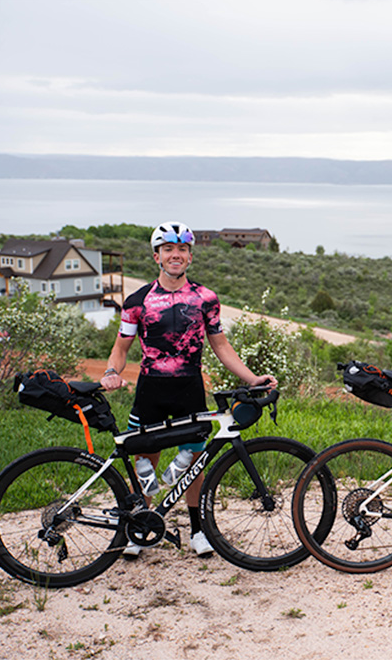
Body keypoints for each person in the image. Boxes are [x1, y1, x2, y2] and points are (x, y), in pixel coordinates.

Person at [100, 221, 276, 559]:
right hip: (151, 388)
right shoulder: (137, 301)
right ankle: (141, 526)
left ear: (190, 257)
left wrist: (252, 379)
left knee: (195, 461)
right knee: (144, 460)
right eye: (168, 249)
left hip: (190, 388)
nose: (175, 255)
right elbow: (120, 348)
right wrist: (110, 372)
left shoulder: (206, 299)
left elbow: (222, 346)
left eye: (181, 249)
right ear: (157, 257)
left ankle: (197, 530)